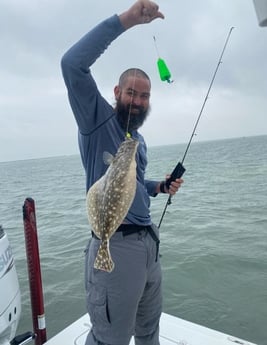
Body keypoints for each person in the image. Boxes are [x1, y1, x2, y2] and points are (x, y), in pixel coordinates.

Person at [61, 1, 184, 344]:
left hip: (148, 246)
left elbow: (133, 186)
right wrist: (127, 20)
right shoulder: (96, 120)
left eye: (145, 96)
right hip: (113, 246)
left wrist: (159, 185)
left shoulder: (138, 140)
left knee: (149, 330)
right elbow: (71, 64)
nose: (139, 100)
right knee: (109, 338)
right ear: (117, 93)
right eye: (132, 92)